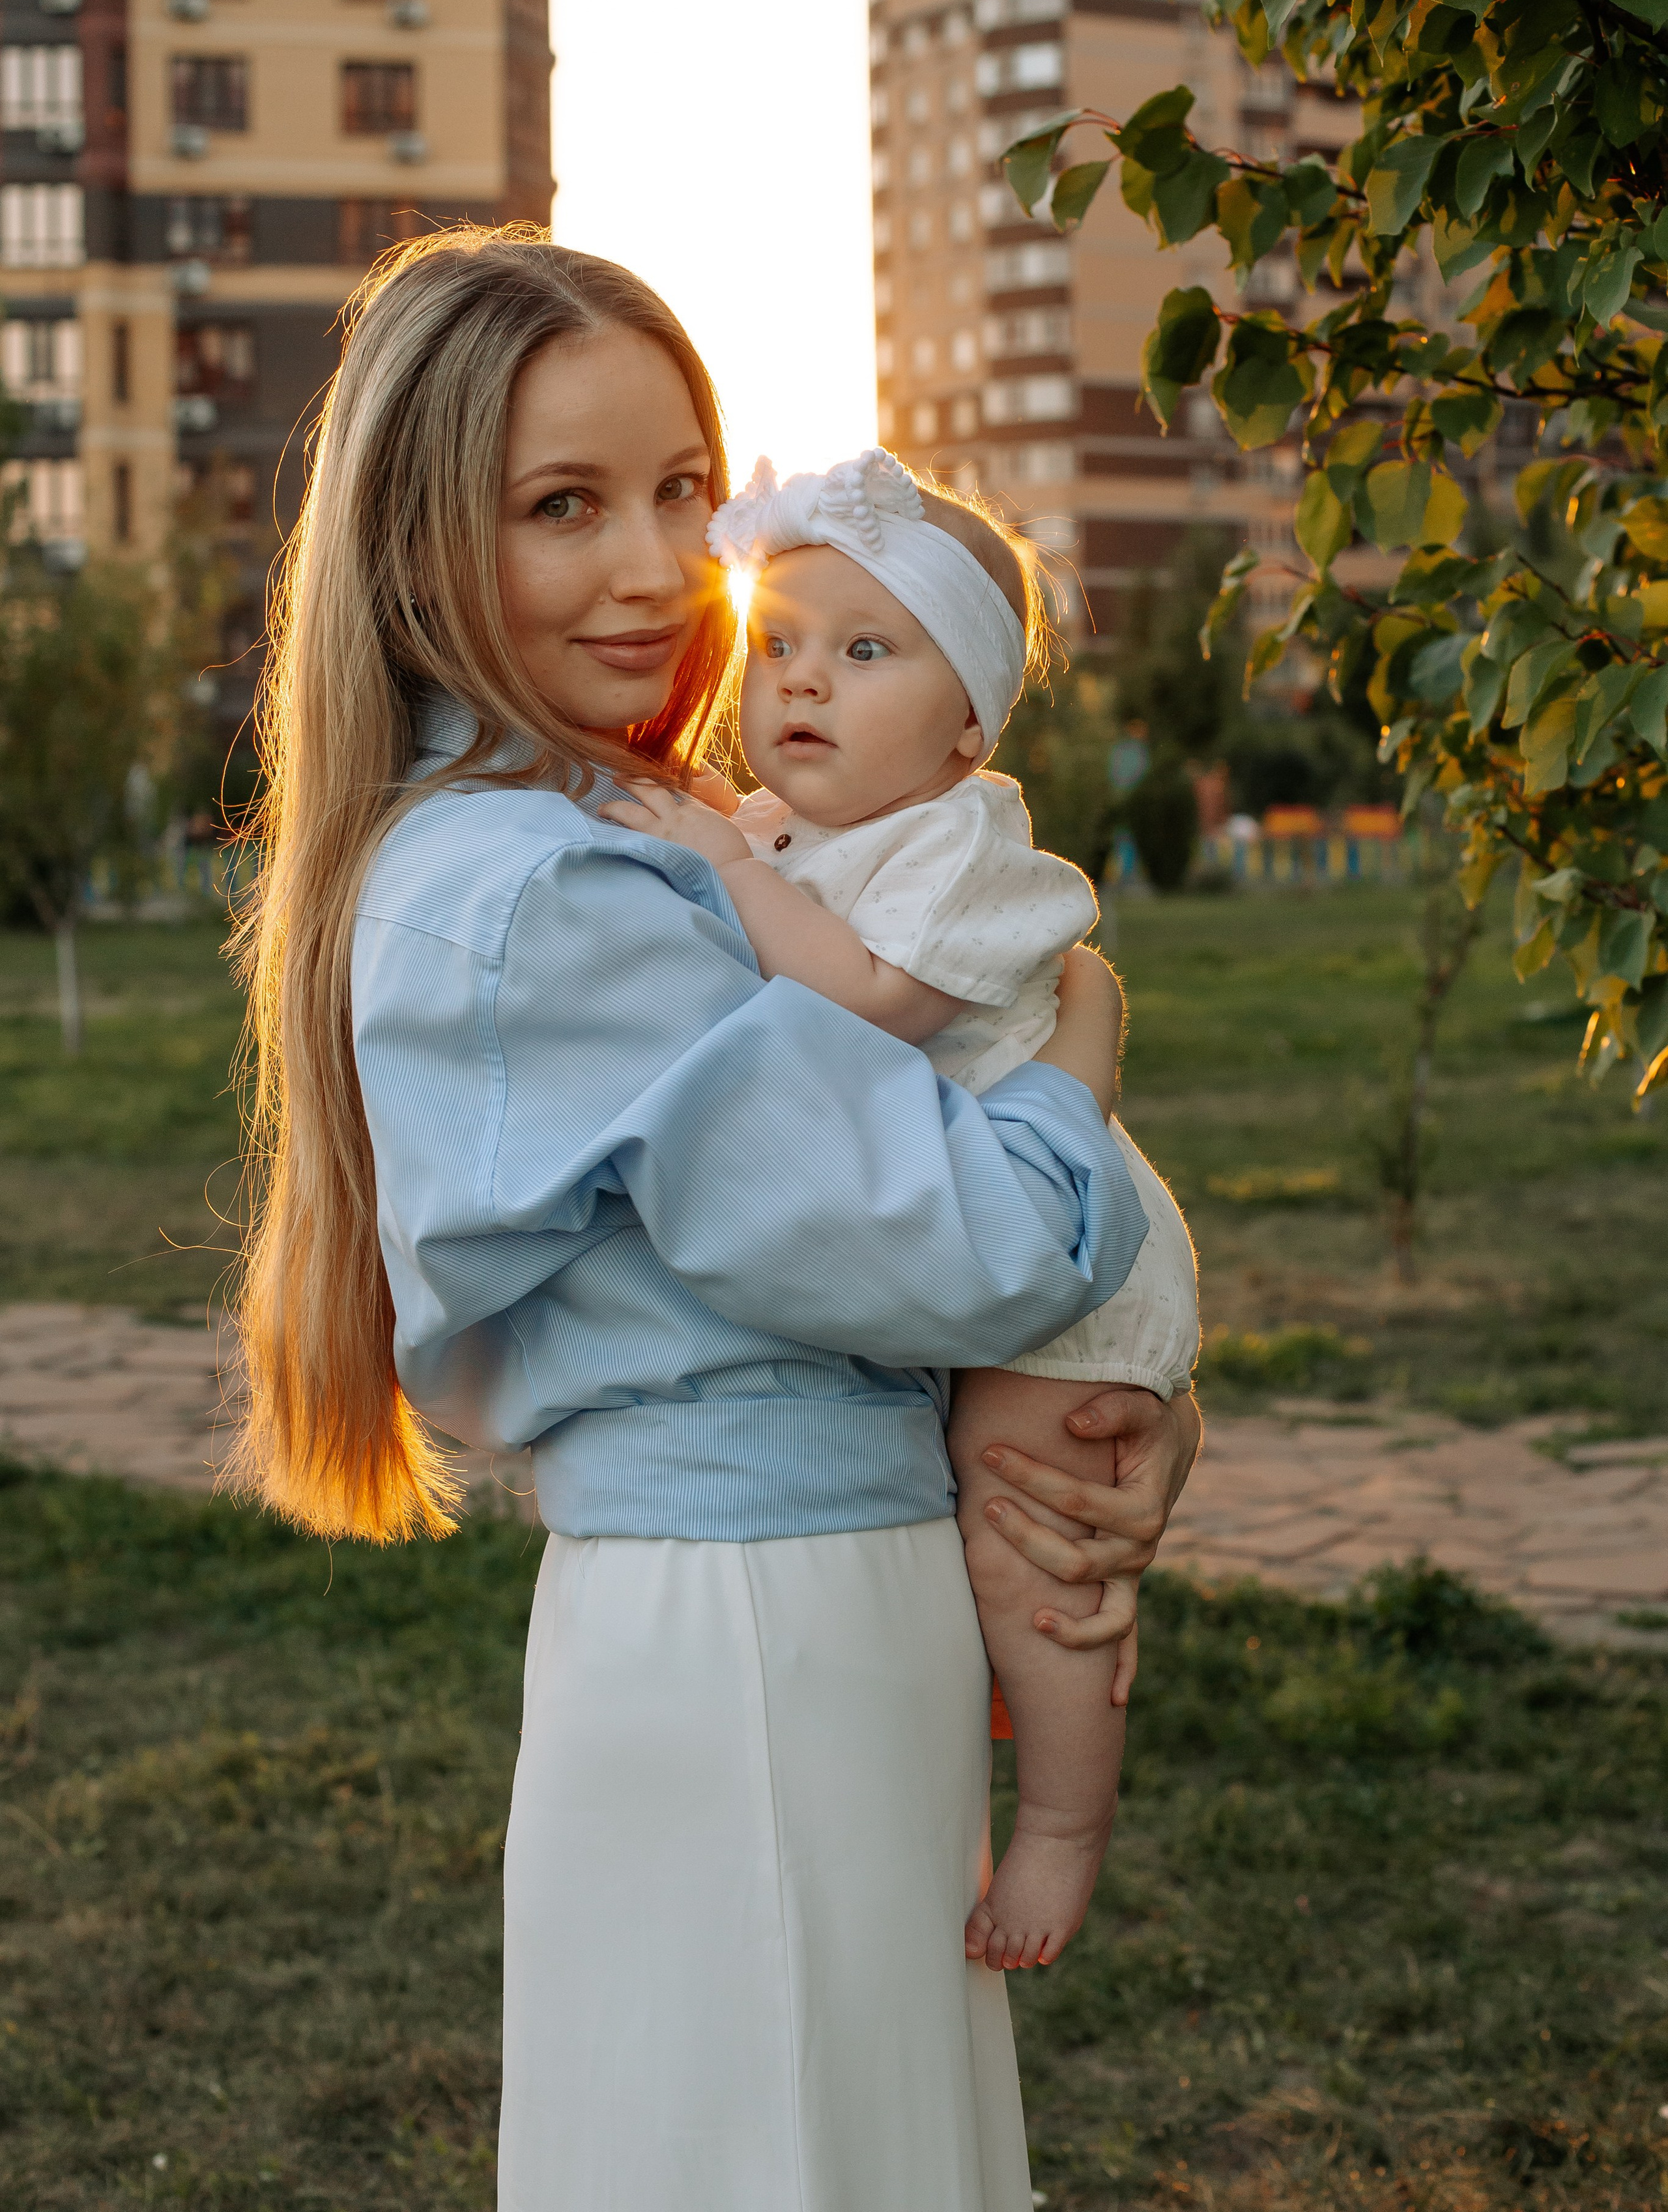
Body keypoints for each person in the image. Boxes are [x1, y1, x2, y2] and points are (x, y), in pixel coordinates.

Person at [229, 228, 1202, 2212]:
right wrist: (1083, 1047)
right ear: (420, 549)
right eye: (563, 506)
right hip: (764, 1619)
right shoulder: (549, 889)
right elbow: (987, 1245)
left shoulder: (609, 829)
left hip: (799, 1596)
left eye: (683, 490)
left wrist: (1116, 1425)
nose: (661, 568)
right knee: (787, 2144)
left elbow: (908, 1253)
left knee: (789, 2135)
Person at [601, 448, 1200, 1977]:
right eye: (779, 644)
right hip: (987, 1230)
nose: (802, 682)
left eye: (865, 651)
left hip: (1071, 1265)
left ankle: (1061, 1825)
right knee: (999, 1543)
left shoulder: (961, 848)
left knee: (1034, 1551)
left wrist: (725, 863)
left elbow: (864, 1007)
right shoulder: (807, 831)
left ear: (968, 722)